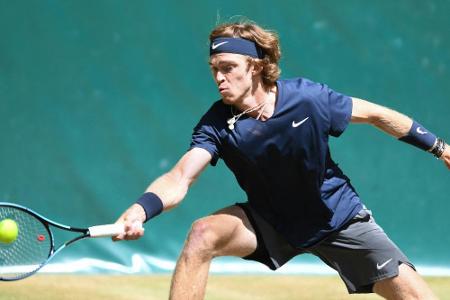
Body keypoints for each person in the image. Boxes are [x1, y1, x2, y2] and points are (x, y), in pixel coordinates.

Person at [113, 21, 449, 299]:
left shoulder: (309, 99)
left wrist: (440, 148)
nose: (219, 78)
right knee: (203, 234)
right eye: (215, 69)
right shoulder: (216, 123)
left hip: (338, 218)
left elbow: (377, 114)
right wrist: (142, 209)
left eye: (228, 68)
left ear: (256, 66)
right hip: (270, 222)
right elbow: (180, 177)